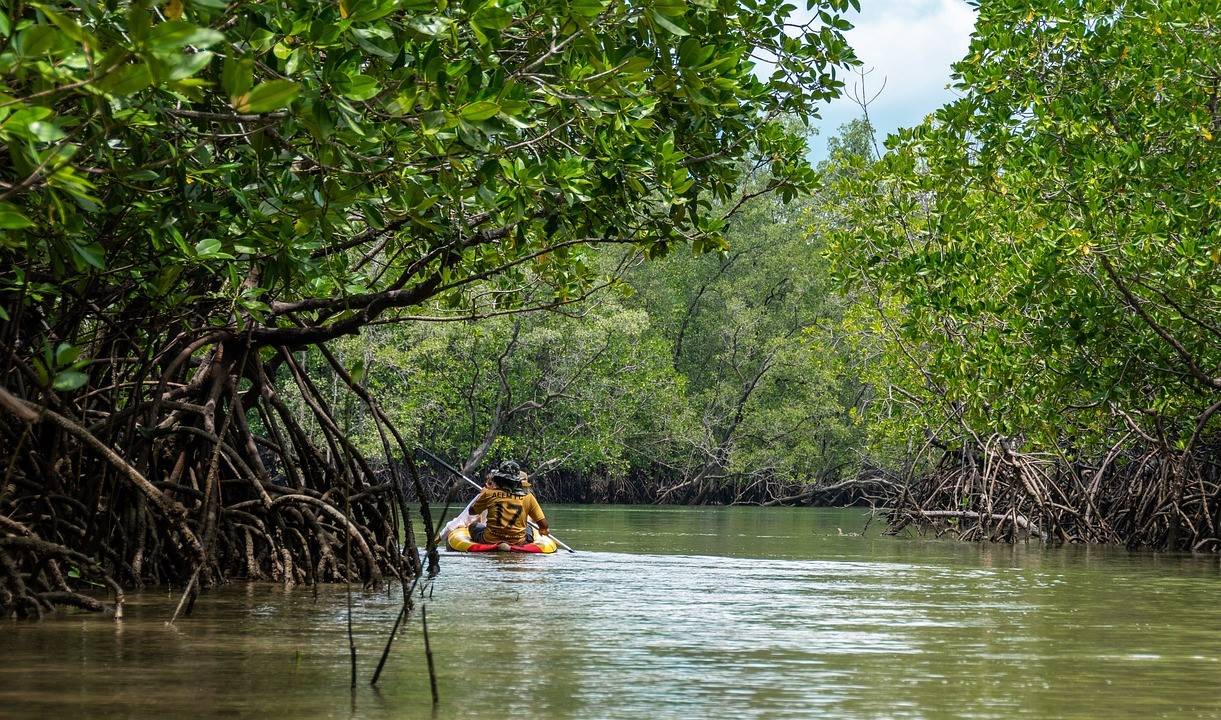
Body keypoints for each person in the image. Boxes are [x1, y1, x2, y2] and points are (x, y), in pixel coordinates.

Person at [467, 460, 549, 550]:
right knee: (528, 527)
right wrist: (543, 530)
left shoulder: (489, 493)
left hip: (490, 539)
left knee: (474, 526)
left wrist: (482, 494)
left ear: (499, 479)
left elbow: (472, 511)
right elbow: (544, 525)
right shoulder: (528, 497)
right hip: (518, 541)